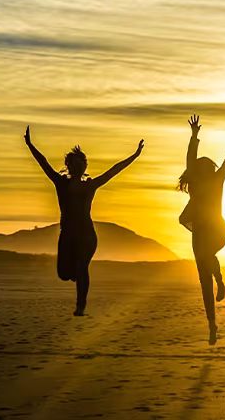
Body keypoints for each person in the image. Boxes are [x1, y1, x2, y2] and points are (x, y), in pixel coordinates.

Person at [25, 126, 144, 316]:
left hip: (86, 235)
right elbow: (44, 163)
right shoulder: (61, 183)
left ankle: (80, 306)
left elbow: (113, 171)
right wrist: (30, 144)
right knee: (64, 274)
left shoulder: (90, 185)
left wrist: (135, 155)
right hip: (67, 235)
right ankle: (76, 275)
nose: (77, 167)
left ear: (84, 167)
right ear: (69, 165)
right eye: (73, 163)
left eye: (80, 164)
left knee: (82, 269)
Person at [177, 115, 225, 345]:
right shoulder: (197, 182)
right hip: (200, 235)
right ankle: (212, 325)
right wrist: (194, 136)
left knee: (206, 257)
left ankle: (221, 280)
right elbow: (190, 159)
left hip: (217, 230)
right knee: (204, 283)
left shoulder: (217, 180)